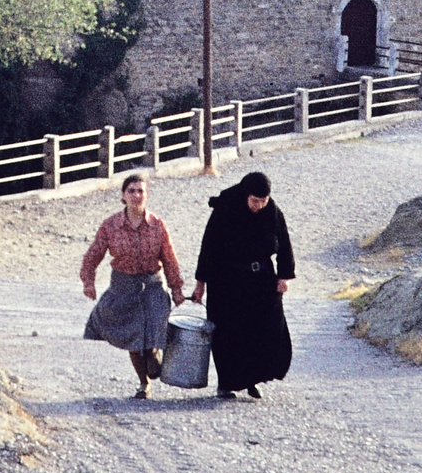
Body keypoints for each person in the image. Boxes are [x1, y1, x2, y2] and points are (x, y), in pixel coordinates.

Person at [190, 171, 295, 399]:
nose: (258, 206)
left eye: (262, 201)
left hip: (260, 279)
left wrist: (284, 277)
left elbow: (285, 244)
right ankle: (227, 382)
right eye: (254, 201)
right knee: (228, 332)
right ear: (246, 195)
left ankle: (252, 379)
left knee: (262, 328)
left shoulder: (272, 212)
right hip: (226, 281)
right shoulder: (226, 208)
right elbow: (208, 247)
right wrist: (201, 284)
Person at [81, 173, 186, 399]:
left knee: (153, 329)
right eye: (131, 191)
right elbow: (93, 255)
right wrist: (88, 282)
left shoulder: (158, 225)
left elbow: (170, 258)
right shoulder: (110, 226)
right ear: (123, 195)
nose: (136, 195)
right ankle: (143, 383)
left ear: (146, 195)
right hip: (123, 286)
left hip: (153, 285)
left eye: (141, 191)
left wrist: (176, 289)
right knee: (133, 336)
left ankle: (153, 352)